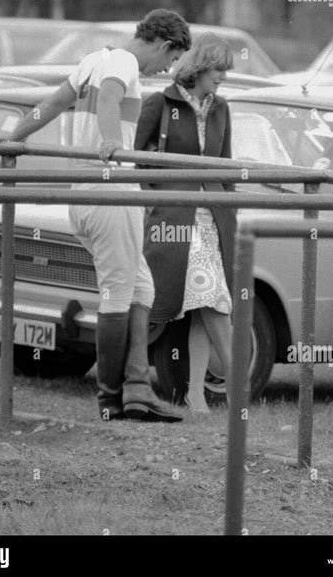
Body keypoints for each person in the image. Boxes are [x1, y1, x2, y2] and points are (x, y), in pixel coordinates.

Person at [0, 9, 191, 423]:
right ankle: (109, 398)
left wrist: (12, 136)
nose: (164, 71)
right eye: (169, 61)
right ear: (164, 44)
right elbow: (113, 97)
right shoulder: (124, 63)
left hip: (86, 195)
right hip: (110, 192)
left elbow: (51, 105)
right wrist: (114, 144)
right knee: (119, 292)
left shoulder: (92, 60)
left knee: (142, 289)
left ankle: (137, 388)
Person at [134, 33, 236, 413]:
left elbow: (226, 165)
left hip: (214, 219)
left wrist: (231, 209)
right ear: (199, 67)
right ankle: (238, 386)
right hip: (176, 219)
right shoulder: (159, 102)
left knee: (204, 303)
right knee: (212, 298)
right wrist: (156, 202)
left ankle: (196, 395)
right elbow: (136, 162)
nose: (223, 77)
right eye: (218, 69)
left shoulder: (222, 108)